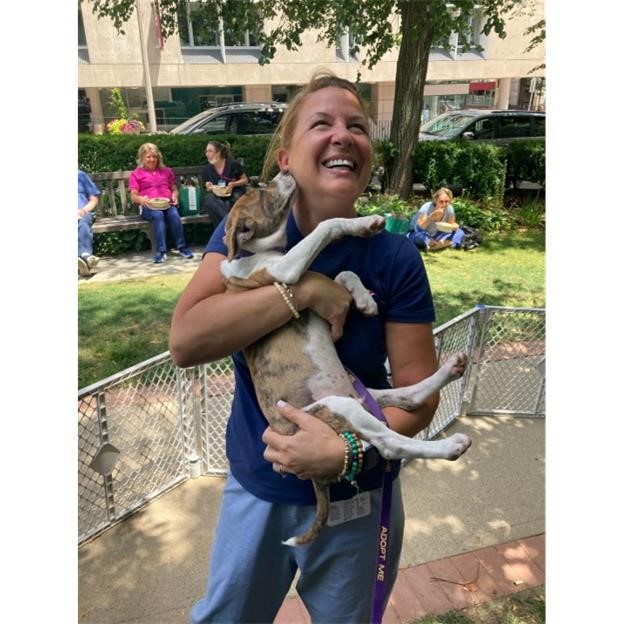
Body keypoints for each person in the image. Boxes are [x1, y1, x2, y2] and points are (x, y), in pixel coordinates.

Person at [169, 71, 441, 624]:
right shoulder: (244, 231)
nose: (343, 134)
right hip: (261, 486)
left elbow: (422, 395)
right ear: (287, 158)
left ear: (368, 154)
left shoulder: (394, 257)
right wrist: (307, 291)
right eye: (322, 123)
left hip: (359, 495)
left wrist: (349, 454)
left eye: (357, 126)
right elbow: (186, 340)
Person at [129, 142, 194, 264]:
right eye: (148, 157)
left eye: (154, 156)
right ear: (142, 158)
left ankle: (182, 248)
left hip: (167, 204)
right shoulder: (136, 174)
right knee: (158, 215)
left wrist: (175, 195)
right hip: (148, 206)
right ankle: (161, 251)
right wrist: (141, 199)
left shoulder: (166, 171)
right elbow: (133, 195)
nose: (152, 159)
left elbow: (174, 188)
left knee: (174, 215)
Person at [201, 140, 249, 225]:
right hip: (218, 197)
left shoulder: (232, 164)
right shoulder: (207, 169)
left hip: (233, 194)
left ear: (218, 153)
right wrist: (209, 186)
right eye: (206, 151)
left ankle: (225, 227)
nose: (207, 154)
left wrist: (234, 184)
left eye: (210, 151)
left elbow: (245, 180)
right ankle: (231, 223)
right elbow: (207, 187)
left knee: (235, 198)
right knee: (209, 200)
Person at [407, 187, 466, 251]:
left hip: (437, 234)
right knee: (420, 237)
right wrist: (431, 217)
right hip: (418, 233)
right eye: (441, 201)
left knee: (460, 232)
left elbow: (451, 224)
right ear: (435, 200)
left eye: (447, 201)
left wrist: (455, 226)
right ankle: (444, 243)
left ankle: (434, 246)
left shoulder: (449, 208)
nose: (444, 204)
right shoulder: (426, 207)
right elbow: (419, 228)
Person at [78, 170, 100, 277]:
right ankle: (86, 259)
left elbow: (94, 200)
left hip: (83, 212)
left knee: (83, 222)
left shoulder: (80, 175)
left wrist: (82, 211)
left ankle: (84, 256)